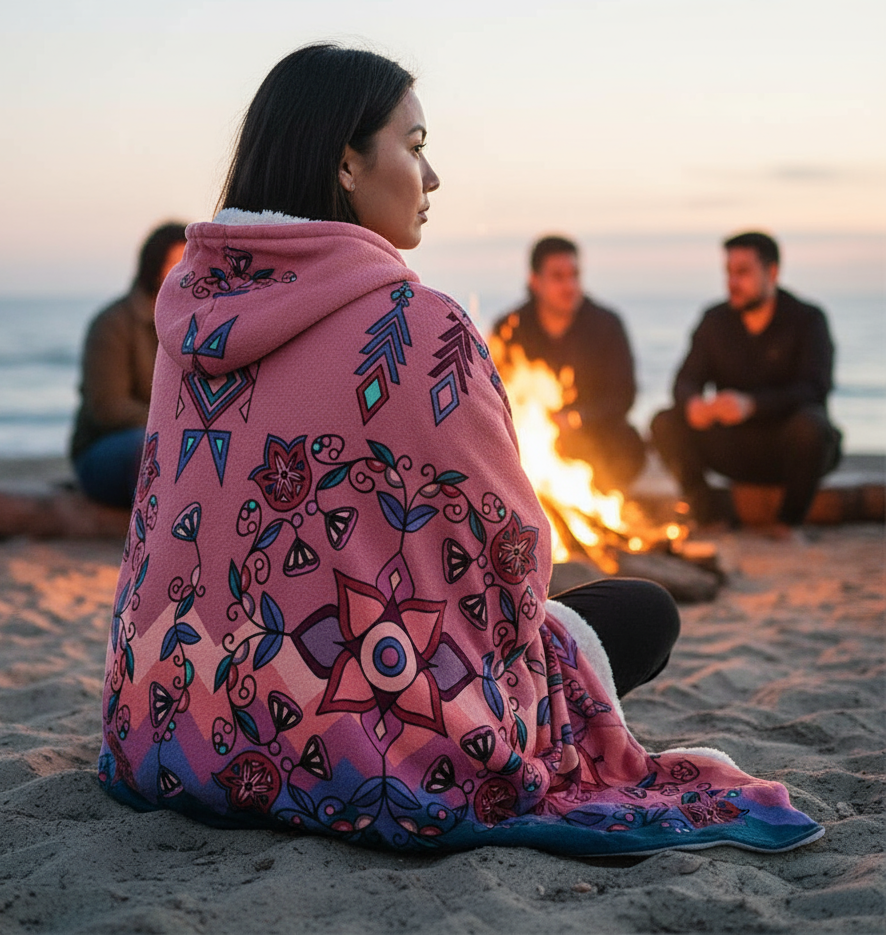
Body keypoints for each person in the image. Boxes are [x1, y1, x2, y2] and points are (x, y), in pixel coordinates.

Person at [96, 45, 821, 856]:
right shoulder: (418, 325)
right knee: (643, 611)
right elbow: (513, 557)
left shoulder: (188, 322)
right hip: (352, 735)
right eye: (413, 146)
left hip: (162, 715)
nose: (432, 175)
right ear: (345, 162)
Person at [651, 232, 841, 534]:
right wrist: (694, 405)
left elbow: (815, 388)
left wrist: (752, 405)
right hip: (734, 447)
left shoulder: (808, 319)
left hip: (787, 448)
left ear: (773, 272)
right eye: (728, 272)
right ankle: (708, 516)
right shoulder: (715, 320)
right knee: (664, 421)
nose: (732, 282)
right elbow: (685, 380)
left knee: (813, 426)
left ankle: (787, 524)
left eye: (743, 272)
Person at [490, 236, 646, 492]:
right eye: (558, 277)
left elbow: (623, 396)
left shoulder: (607, 324)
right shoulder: (510, 328)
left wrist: (578, 418)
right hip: (530, 439)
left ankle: (597, 501)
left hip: (592, 437)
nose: (570, 286)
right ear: (535, 281)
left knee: (629, 443)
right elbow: (493, 394)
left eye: (574, 275)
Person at [70, 222, 188, 509]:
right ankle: (150, 535)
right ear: (153, 265)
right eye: (175, 263)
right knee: (148, 445)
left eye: (190, 264)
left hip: (169, 439)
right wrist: (174, 424)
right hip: (104, 450)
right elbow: (107, 408)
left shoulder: (193, 323)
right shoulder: (113, 323)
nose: (184, 273)